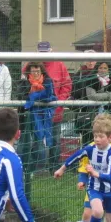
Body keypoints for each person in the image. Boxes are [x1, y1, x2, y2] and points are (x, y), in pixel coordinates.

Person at [54, 114, 111, 222]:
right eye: (95, 136)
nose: (96, 139)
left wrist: (95, 173)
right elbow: (75, 156)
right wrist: (61, 169)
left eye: (100, 136)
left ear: (109, 138)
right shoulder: (91, 149)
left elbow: (110, 176)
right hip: (95, 189)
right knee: (96, 211)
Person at [33, 41, 72, 171]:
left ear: (51, 51)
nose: (43, 55)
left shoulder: (60, 65)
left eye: (46, 52)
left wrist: (58, 103)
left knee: (54, 141)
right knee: (37, 140)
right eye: (41, 53)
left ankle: (54, 169)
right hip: (37, 113)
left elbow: (67, 85)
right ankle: (38, 169)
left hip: (55, 112)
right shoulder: (31, 65)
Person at [17, 62, 56, 172]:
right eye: (33, 71)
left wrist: (37, 97)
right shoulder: (24, 82)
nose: (35, 74)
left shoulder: (47, 81)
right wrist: (32, 95)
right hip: (26, 117)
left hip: (42, 117)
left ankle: (36, 169)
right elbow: (20, 96)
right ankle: (21, 168)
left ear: (41, 71)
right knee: (24, 143)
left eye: (37, 71)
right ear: (29, 72)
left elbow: (52, 97)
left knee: (39, 143)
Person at [71, 51, 98, 145]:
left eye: (93, 60)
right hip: (83, 111)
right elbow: (73, 93)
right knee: (86, 141)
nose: (90, 62)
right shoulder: (78, 75)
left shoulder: (102, 73)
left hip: (99, 111)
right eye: (88, 59)